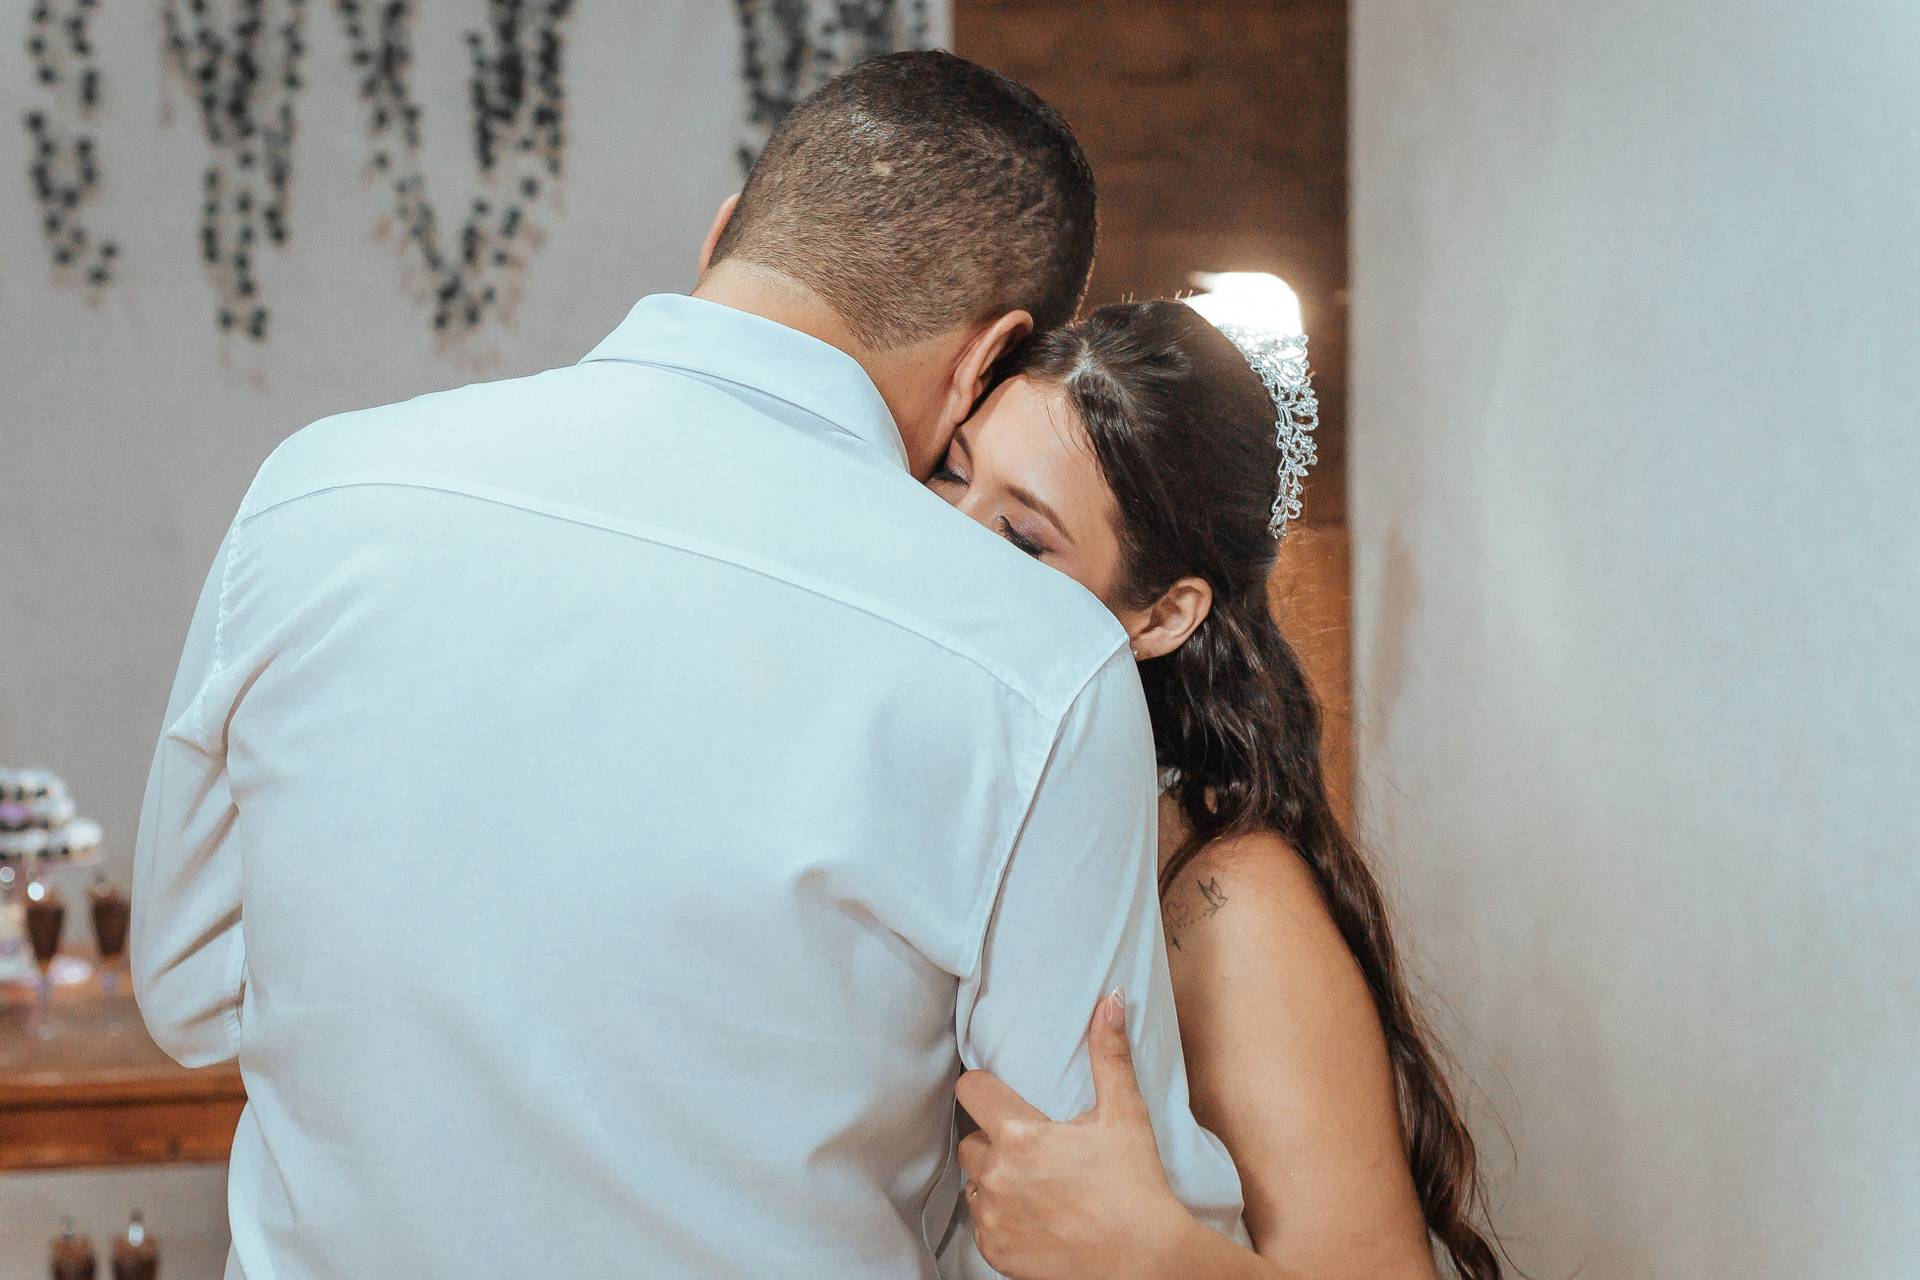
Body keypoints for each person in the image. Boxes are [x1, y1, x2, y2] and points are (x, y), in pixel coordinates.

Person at [131, 53, 1245, 1279]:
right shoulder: (1037, 663)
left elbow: (188, 992)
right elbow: (1068, 1203)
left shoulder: (317, 491)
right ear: (989, 361)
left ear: (725, 236)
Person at [928, 300, 1503, 1280]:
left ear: (1161, 615)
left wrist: (1151, 1255)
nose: (945, 540)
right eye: (950, 471)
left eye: (1021, 537)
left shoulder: (1229, 903)